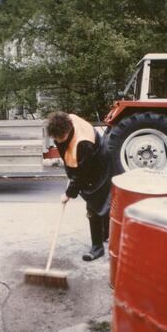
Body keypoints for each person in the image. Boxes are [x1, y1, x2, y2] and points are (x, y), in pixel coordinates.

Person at [47, 111, 112, 261]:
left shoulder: (83, 144)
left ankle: (97, 248)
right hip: (88, 161)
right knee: (101, 203)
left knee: (94, 205)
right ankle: (106, 234)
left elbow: (81, 174)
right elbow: (68, 156)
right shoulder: (66, 121)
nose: (57, 141)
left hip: (100, 166)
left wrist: (68, 193)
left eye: (59, 138)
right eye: (54, 138)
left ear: (68, 131)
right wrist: (70, 173)